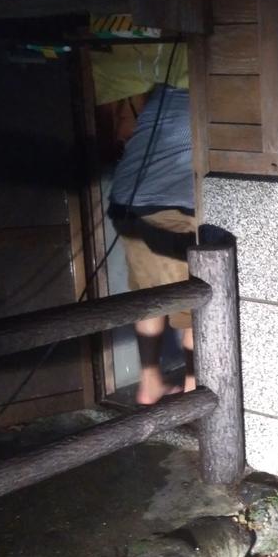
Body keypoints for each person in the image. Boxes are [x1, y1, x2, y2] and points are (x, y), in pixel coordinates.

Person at [94, 43, 195, 406]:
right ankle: (193, 385)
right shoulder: (205, 94)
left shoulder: (163, 93)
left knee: (149, 296)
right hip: (169, 208)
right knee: (195, 305)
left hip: (127, 202)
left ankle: (150, 381)